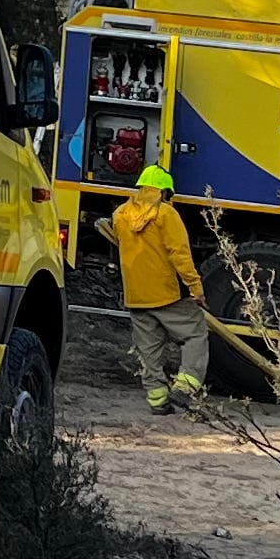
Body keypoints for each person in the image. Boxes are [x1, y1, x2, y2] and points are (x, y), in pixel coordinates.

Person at [112, 156, 208, 409]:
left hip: (135, 296)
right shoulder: (166, 214)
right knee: (196, 332)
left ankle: (158, 402)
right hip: (165, 294)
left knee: (149, 350)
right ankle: (185, 387)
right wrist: (195, 288)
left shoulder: (120, 215)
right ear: (165, 191)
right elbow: (180, 254)